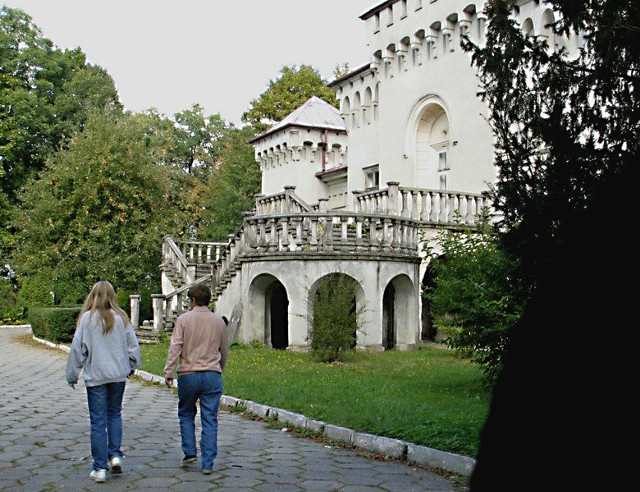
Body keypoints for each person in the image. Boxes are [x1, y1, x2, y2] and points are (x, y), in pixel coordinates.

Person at [66, 280, 141, 483]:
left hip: (96, 377)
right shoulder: (121, 318)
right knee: (114, 414)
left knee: (98, 421)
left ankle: (100, 468)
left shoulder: (87, 320)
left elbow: (77, 349)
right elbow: (132, 345)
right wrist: (132, 365)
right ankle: (115, 455)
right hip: (118, 375)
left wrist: (72, 375)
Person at [163, 282, 228, 475]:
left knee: (186, 412)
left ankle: (190, 451)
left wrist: (168, 371)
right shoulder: (218, 321)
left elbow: (175, 346)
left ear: (191, 300)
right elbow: (223, 349)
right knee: (210, 418)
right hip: (211, 374)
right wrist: (219, 368)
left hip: (188, 374)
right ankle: (208, 462)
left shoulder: (184, 320)